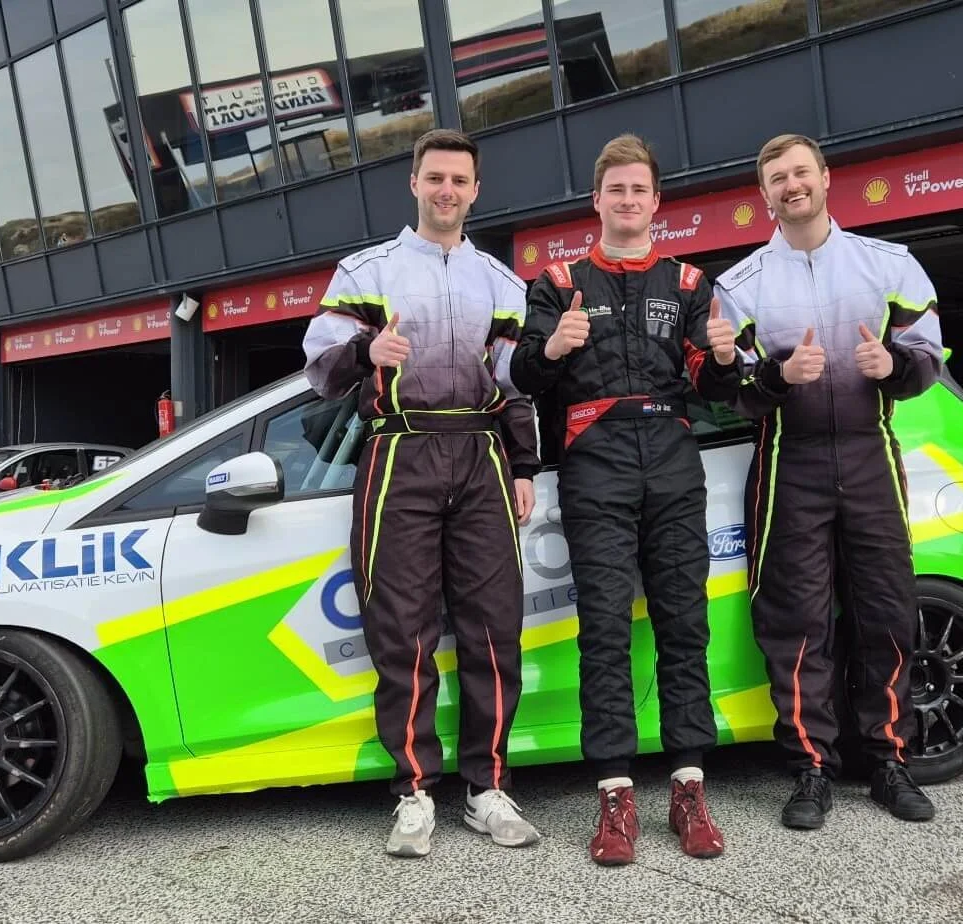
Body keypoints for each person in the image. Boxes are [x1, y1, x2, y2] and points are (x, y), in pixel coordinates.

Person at [302, 128, 542, 859]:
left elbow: (518, 385)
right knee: (399, 630)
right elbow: (318, 366)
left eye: (459, 181)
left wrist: (525, 466)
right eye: (434, 178)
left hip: (480, 455)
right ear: (413, 183)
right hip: (397, 448)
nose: (446, 191)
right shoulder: (365, 270)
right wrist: (363, 352)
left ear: (474, 191)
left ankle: (486, 787)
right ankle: (413, 792)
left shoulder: (501, 283)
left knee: (492, 627)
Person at [511, 133, 738, 865]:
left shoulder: (688, 282)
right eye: (617, 190)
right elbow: (521, 375)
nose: (629, 200)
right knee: (604, 630)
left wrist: (727, 360)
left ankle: (688, 787)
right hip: (594, 461)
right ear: (597, 200)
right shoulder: (556, 281)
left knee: (682, 623)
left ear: (655, 202)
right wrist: (550, 349)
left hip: (671, 457)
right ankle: (614, 796)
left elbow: (710, 387)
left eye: (640, 190)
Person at [714, 133, 943, 830]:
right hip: (791, 459)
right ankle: (810, 767)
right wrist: (775, 377)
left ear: (824, 178)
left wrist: (892, 370)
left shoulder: (889, 264)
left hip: (870, 452)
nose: (790, 185)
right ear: (764, 196)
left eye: (800, 171)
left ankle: (887, 761)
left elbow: (926, 358)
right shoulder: (740, 285)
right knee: (796, 624)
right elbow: (729, 391)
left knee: (886, 612)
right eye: (776, 176)